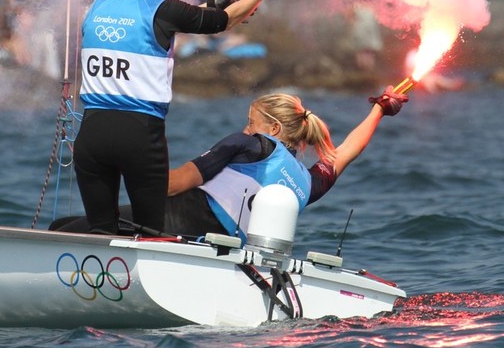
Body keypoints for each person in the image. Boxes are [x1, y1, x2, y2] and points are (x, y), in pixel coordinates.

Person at [73, 0, 286, 234]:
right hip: (139, 136)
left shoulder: (96, 7)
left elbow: (165, 18)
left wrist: (210, 5)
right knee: (150, 234)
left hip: (92, 133)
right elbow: (223, 21)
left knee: (100, 232)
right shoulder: (162, 9)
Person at [52, 86, 407, 239]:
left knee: (61, 228)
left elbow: (173, 185)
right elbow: (346, 152)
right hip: (215, 243)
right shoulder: (308, 183)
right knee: (75, 222)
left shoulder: (248, 143)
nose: (246, 127)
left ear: (273, 128)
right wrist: (379, 109)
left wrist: (107, 161)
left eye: (252, 121)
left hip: (172, 220)